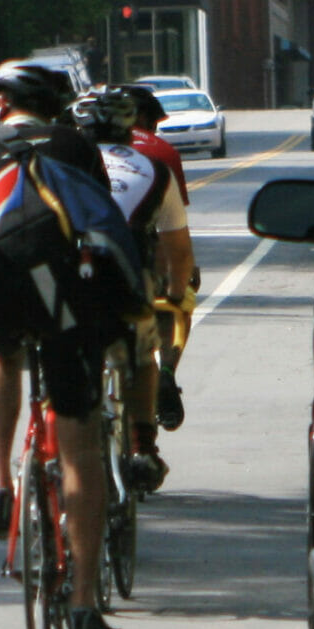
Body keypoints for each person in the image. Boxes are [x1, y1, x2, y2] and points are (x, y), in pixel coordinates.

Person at [0, 62, 116, 629]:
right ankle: (85, 602)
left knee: (0, 349)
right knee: (81, 450)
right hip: (61, 287)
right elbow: (100, 221)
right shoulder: (76, 146)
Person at [70, 85, 194, 493]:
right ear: (132, 128)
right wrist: (175, 294)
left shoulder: (58, 165)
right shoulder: (153, 167)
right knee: (141, 352)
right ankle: (143, 446)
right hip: (126, 277)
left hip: (68, 277)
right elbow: (178, 251)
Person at [127, 86, 194, 430]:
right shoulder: (162, 152)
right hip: (145, 251)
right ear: (140, 117)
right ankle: (166, 370)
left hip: (85, 256)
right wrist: (180, 282)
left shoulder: (79, 149)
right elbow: (173, 229)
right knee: (173, 305)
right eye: (153, 121)